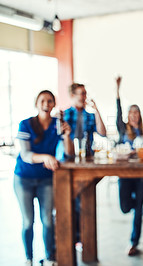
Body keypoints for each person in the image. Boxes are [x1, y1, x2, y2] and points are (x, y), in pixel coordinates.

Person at [14, 90, 73, 266]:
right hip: (23, 178)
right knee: (27, 221)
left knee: (47, 220)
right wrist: (45, 157)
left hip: (46, 179)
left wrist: (68, 135)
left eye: (50, 101)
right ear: (36, 104)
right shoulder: (25, 124)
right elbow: (25, 155)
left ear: (54, 104)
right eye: (42, 101)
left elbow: (69, 154)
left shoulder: (58, 124)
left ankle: (49, 258)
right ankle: (28, 258)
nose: (46, 104)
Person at [115, 76, 143, 256]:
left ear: (139, 116)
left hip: (142, 175)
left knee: (138, 208)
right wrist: (117, 90)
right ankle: (133, 202)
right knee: (125, 207)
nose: (133, 115)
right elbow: (118, 112)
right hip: (125, 174)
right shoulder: (123, 130)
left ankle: (134, 242)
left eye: (136, 113)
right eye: (130, 113)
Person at [63, 83, 107, 245]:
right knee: (71, 202)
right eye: (81, 94)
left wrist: (96, 110)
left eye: (85, 94)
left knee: (84, 201)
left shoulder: (89, 116)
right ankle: (74, 238)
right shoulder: (65, 115)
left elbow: (102, 132)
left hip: (87, 162)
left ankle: (82, 238)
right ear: (72, 95)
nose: (84, 97)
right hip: (69, 162)